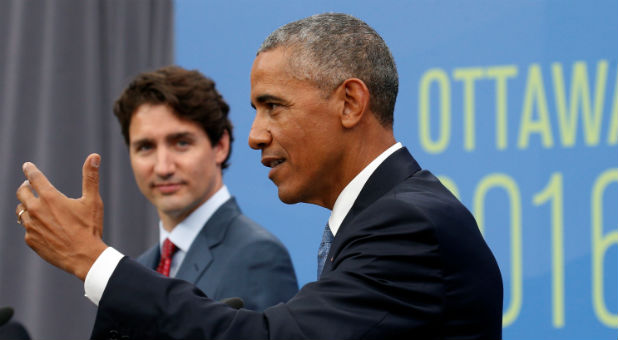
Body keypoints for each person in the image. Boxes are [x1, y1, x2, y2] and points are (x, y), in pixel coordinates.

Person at [16, 13, 503, 339]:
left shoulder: (407, 224)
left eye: (274, 107)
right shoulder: (383, 215)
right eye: (255, 109)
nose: (254, 135)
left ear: (351, 103)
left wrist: (92, 259)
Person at [108, 66, 298, 311]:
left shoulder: (256, 255)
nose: (163, 167)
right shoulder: (142, 267)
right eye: (145, 147)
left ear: (220, 146)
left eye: (182, 143)